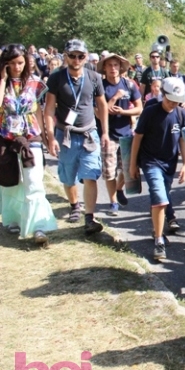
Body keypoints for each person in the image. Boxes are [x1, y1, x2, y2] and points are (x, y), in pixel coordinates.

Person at [44, 39, 110, 235]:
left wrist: (105, 132)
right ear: (65, 56)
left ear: (86, 57)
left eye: (80, 56)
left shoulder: (94, 77)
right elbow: (48, 109)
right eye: (72, 56)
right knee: (68, 174)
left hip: (89, 133)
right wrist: (50, 137)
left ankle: (89, 218)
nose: (76, 60)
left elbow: (102, 106)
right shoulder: (56, 78)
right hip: (65, 134)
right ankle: (74, 205)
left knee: (90, 174)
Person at [0, 45, 57, 244]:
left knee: (34, 182)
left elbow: (39, 112)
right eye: (12, 63)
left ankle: (38, 226)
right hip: (6, 140)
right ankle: (13, 218)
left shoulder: (35, 83)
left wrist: (48, 138)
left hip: (31, 139)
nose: (17, 67)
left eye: (20, 62)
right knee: (12, 183)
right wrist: (2, 80)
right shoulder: (3, 83)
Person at [129, 78, 185, 260]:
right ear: (162, 94)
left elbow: (182, 140)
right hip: (150, 161)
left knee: (163, 196)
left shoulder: (181, 114)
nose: (172, 103)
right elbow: (137, 138)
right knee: (161, 199)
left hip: (169, 163)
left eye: (176, 100)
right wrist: (132, 164)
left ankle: (157, 228)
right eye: (169, 99)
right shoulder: (150, 112)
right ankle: (159, 241)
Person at [97, 53, 143, 216]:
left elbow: (140, 108)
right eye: (109, 65)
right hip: (108, 134)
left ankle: (118, 188)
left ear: (120, 67)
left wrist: (124, 112)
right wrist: (115, 98)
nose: (113, 68)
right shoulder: (100, 86)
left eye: (116, 65)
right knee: (109, 171)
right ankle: (113, 201)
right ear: (104, 68)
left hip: (126, 134)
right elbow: (98, 112)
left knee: (129, 169)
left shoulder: (130, 85)